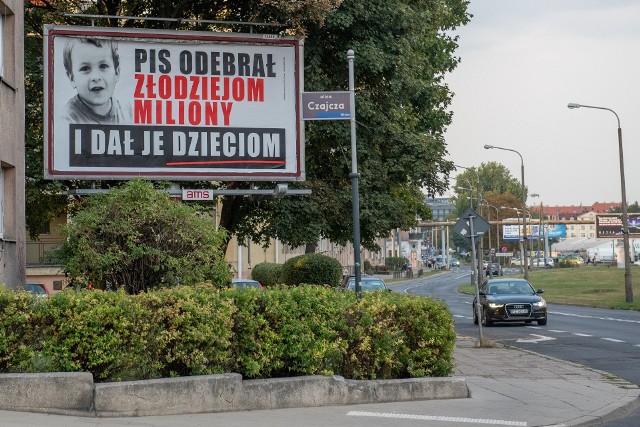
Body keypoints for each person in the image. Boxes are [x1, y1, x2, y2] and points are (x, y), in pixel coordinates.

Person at [61, 37, 132, 124]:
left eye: (103, 66)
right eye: (85, 68)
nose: (96, 77)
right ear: (72, 78)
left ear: (117, 72)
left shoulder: (127, 111)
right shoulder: (67, 118)